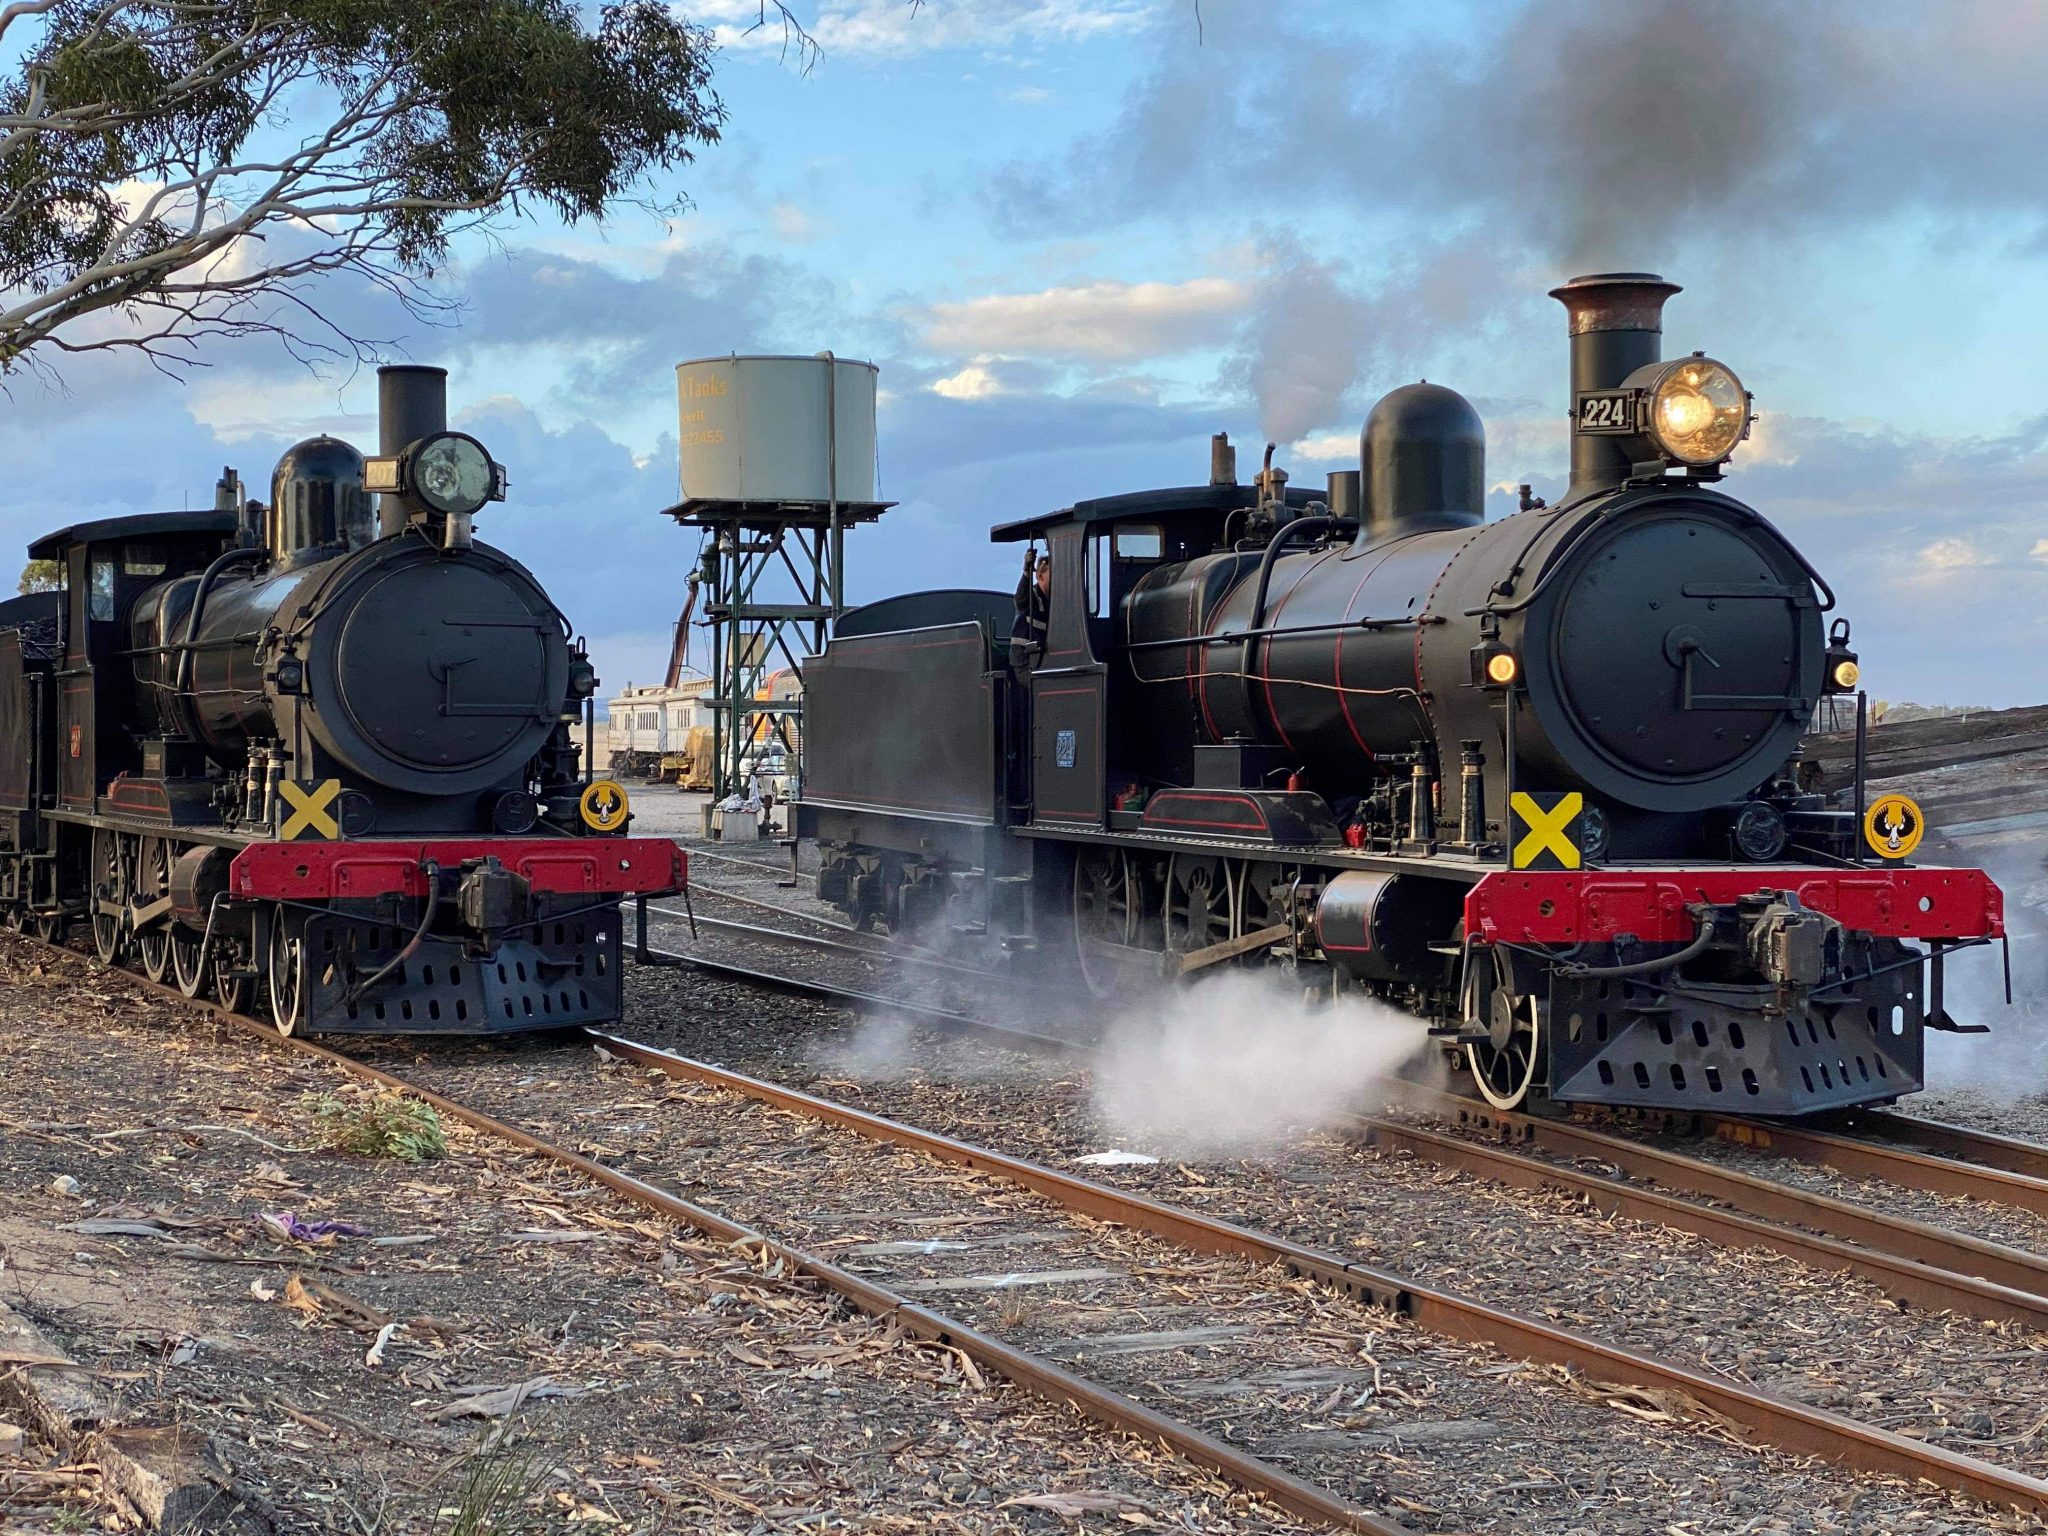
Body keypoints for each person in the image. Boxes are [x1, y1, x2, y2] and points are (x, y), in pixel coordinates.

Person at [1011, 548, 1050, 676]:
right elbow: (1021, 600)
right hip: (1026, 663)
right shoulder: (1031, 596)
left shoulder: (1054, 602)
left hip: (1044, 659)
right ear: (1040, 576)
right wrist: (1027, 570)